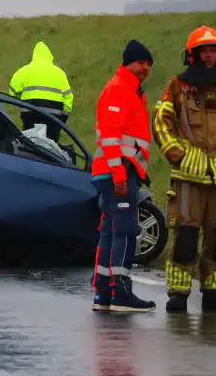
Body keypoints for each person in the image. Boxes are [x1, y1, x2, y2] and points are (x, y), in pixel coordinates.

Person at [152, 25, 216, 313]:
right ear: (192, 55)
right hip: (187, 179)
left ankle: (213, 289)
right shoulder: (178, 86)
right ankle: (178, 294)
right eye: (203, 51)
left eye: (213, 51)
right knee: (186, 239)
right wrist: (178, 155)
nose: (209, 56)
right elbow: (160, 122)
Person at [90, 39, 156, 313]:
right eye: (141, 63)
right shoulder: (119, 89)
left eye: (148, 65)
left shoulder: (129, 89)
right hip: (118, 171)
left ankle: (104, 293)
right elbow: (110, 136)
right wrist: (119, 174)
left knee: (110, 230)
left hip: (115, 170)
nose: (145, 69)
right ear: (128, 63)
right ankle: (121, 293)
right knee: (125, 231)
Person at [9, 41, 74, 143]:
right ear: (49, 56)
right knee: (52, 147)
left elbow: (12, 91)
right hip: (54, 116)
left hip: (31, 113)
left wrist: (23, 98)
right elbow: (68, 98)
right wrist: (63, 118)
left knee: (30, 144)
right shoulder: (60, 73)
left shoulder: (24, 71)